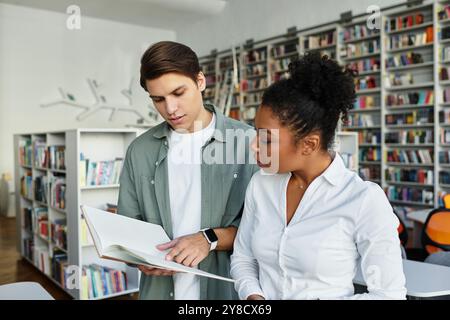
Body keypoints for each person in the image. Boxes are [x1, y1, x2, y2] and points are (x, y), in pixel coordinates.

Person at [230, 52, 407, 300]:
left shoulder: (363, 200)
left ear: (309, 145)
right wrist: (254, 295)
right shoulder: (261, 184)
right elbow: (243, 257)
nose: (254, 147)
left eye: (267, 139)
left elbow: (389, 296)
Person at [117, 41, 258, 300]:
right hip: (158, 291)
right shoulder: (139, 150)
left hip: (225, 290)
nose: (169, 109)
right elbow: (127, 227)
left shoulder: (249, 142)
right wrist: (136, 257)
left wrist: (209, 238)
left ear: (200, 81)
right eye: (158, 99)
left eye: (178, 93)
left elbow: (265, 230)